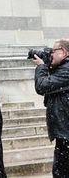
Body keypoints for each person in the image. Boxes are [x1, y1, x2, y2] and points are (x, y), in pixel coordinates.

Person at [32, 39, 69, 177]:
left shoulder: (67, 70)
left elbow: (42, 86)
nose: (50, 54)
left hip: (66, 133)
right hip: (64, 133)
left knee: (61, 173)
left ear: (64, 52)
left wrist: (41, 66)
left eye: (53, 51)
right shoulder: (62, 69)